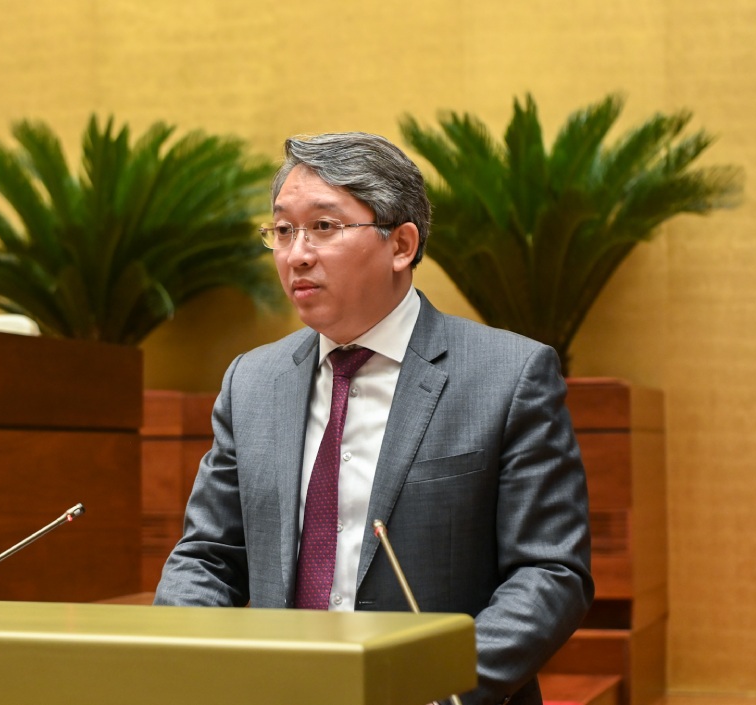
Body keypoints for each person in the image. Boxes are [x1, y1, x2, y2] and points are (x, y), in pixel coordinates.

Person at [153, 132, 593, 705]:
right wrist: (183, 667)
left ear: (401, 244)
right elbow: (208, 555)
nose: (297, 254)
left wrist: (440, 687)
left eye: (324, 227)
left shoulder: (509, 375)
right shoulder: (252, 382)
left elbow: (550, 573)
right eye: (283, 230)